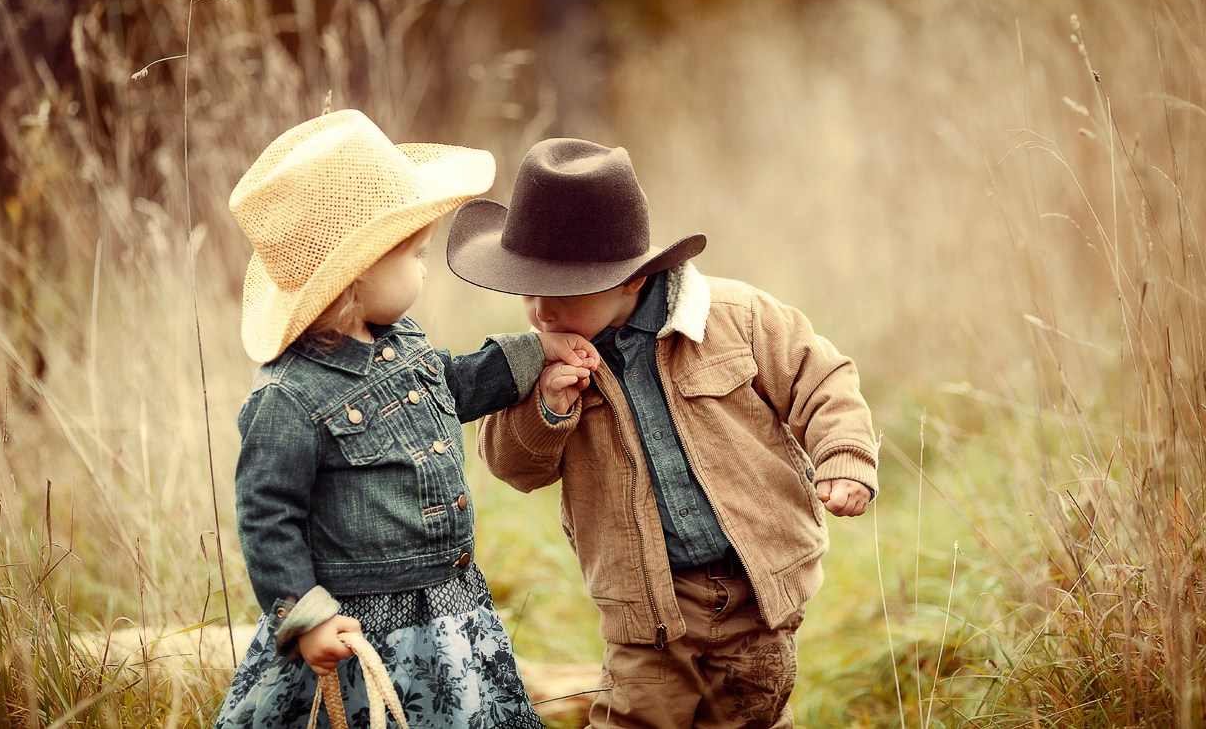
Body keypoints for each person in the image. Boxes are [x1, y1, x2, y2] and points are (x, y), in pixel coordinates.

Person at [445, 138, 879, 728]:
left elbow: (822, 379)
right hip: (646, 606)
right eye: (527, 290)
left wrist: (844, 456)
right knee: (632, 718)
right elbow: (510, 465)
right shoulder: (539, 363)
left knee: (748, 717)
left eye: (561, 292)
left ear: (632, 279)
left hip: (756, 594)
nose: (541, 311)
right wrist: (545, 407)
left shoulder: (735, 318)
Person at [214, 110, 598, 729]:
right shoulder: (288, 396)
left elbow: (454, 382)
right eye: (416, 255)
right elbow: (266, 515)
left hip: (447, 614)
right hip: (360, 629)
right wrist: (305, 617)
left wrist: (534, 352)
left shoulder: (401, 341)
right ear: (357, 272)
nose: (425, 268)